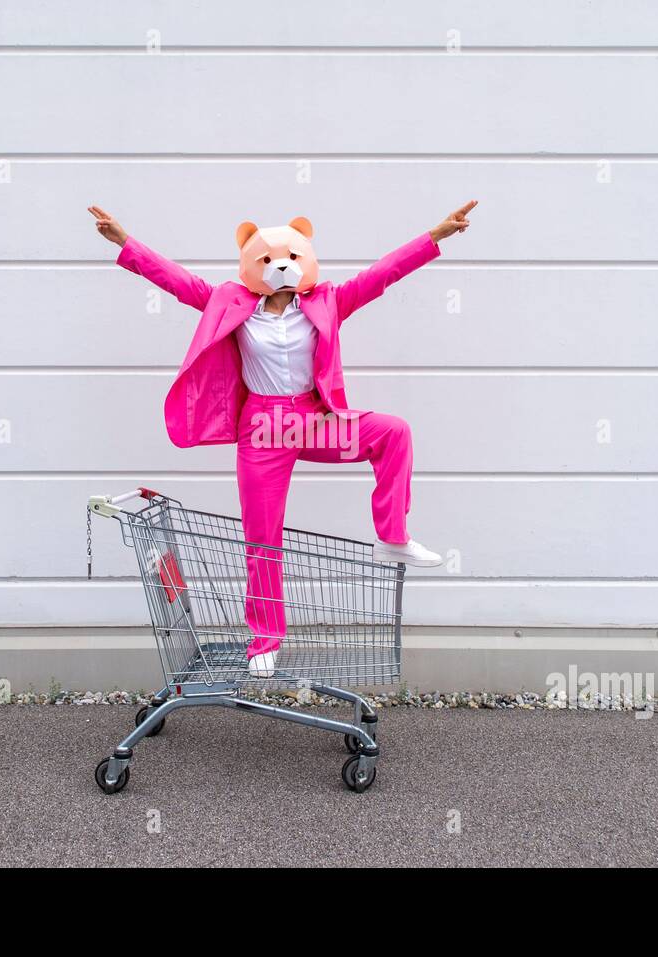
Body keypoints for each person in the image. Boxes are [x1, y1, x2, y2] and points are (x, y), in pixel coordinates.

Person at [91, 201, 477, 677]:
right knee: (263, 537)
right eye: (271, 259)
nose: (282, 267)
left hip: (313, 420)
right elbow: (177, 281)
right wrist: (125, 242)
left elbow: (381, 276)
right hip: (262, 428)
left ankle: (392, 536)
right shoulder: (231, 303)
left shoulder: (326, 301)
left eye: (292, 257)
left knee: (393, 432)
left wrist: (432, 237)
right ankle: (265, 639)